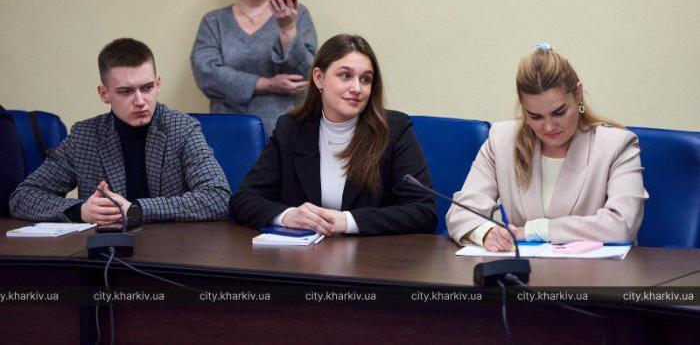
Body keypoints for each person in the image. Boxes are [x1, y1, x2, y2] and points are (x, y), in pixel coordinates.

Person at [446, 43, 648, 251]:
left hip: (595, 270)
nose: (549, 127)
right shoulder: (501, 141)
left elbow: (622, 224)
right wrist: (486, 233)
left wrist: (535, 230)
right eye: (535, 117)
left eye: (559, 113)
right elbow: (460, 213)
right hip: (524, 269)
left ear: (578, 93)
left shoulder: (617, 145)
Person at [229, 34, 437, 236]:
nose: (357, 88)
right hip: (302, 255)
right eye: (345, 76)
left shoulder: (393, 129)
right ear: (319, 78)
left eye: (365, 79)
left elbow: (424, 211)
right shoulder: (291, 129)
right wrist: (288, 216)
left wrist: (347, 221)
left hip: (372, 255)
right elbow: (243, 200)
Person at [10, 38, 230, 226]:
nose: (140, 101)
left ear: (158, 84)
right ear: (104, 94)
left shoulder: (182, 129)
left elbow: (219, 197)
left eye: (147, 88)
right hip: (106, 251)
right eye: (126, 91)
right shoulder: (84, 136)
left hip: (173, 248)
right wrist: (81, 211)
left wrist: (137, 210)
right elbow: (22, 197)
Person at [191, 0, 318, 135]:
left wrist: (287, 29)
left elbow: (309, 74)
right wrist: (267, 84)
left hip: (285, 130)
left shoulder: (297, 15)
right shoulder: (214, 21)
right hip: (228, 129)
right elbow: (206, 75)